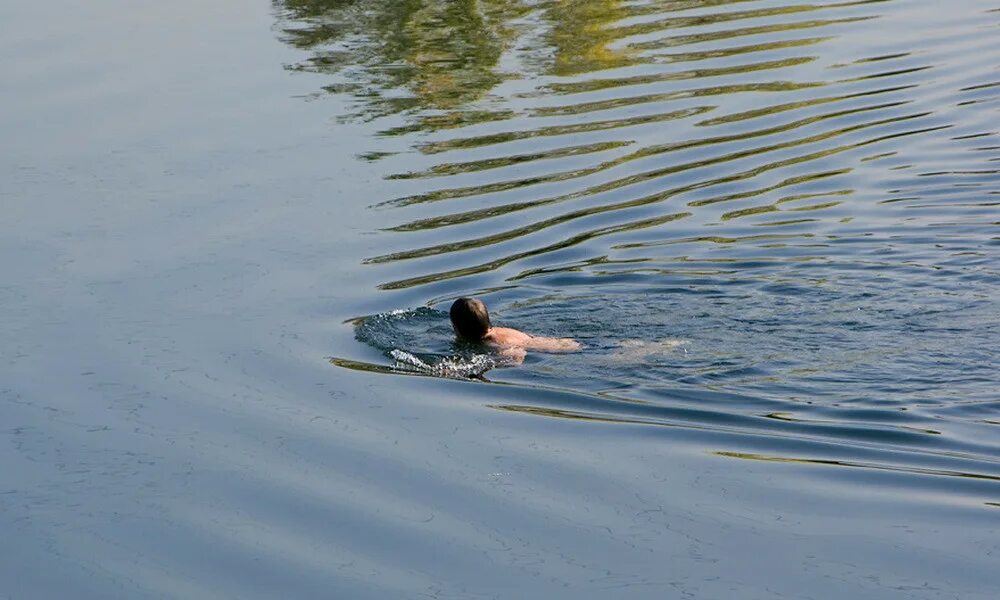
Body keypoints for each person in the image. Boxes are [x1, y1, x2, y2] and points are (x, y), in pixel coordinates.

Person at [449, 297, 581, 362]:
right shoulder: (500, 330)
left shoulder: (494, 343)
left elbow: (517, 358)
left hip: (570, 352)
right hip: (569, 342)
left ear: (457, 328)